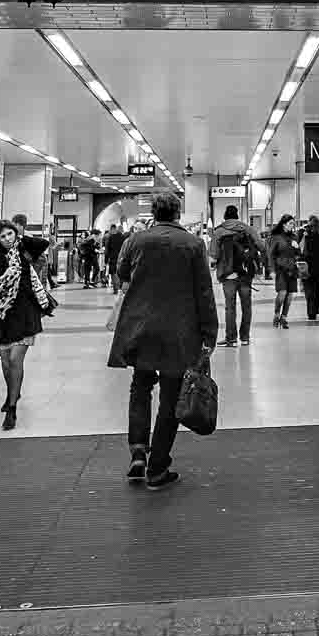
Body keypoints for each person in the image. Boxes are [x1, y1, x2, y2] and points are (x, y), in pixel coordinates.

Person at [107, 189, 217, 489]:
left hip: (140, 328)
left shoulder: (134, 240)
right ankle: (157, 468)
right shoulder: (193, 244)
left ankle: (138, 450)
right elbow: (203, 292)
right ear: (178, 213)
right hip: (179, 331)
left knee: (140, 387)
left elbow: (121, 273)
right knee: (171, 397)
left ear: (154, 213)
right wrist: (210, 333)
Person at [0, 219, 57, 429]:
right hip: (2, 315)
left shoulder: (23, 251)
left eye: (10, 234)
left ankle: (11, 409)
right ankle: (13, 392)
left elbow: (42, 244)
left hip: (25, 312)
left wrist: (21, 237)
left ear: (16, 234)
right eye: (2, 236)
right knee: (5, 363)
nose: (7, 239)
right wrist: (0, 280)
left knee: (15, 360)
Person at [208, 204, 263, 347]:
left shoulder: (219, 231)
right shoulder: (247, 228)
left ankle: (231, 339)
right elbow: (261, 246)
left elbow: (213, 257)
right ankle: (245, 338)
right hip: (245, 274)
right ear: (237, 216)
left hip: (228, 275)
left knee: (230, 307)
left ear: (225, 217)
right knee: (246, 305)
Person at [266, 215, 301, 329]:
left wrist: (297, 248)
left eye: (293, 223)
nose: (292, 225)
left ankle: (284, 317)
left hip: (292, 269)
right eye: (290, 223)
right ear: (284, 224)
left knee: (290, 295)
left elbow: (298, 254)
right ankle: (276, 314)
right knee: (282, 293)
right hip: (280, 269)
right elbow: (270, 255)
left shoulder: (294, 237)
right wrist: (271, 270)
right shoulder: (276, 237)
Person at [104, 222, 126, 292]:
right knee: (120, 271)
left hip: (113, 257)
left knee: (113, 272)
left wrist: (106, 259)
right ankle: (120, 287)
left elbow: (107, 249)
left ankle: (116, 288)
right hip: (122, 257)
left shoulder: (111, 237)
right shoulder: (123, 237)